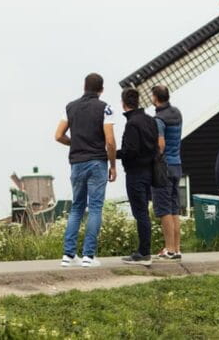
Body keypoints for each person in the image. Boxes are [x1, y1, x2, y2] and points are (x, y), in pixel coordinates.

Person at [54, 73, 117, 268]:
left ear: (84, 86)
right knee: (95, 208)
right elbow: (110, 141)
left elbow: (58, 135)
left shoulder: (70, 107)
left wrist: (75, 143)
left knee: (77, 207)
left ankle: (68, 254)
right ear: (101, 90)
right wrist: (113, 165)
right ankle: (88, 256)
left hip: (77, 163)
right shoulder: (105, 108)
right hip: (97, 162)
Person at [116, 88, 158, 266]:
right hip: (149, 171)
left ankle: (143, 252)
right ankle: (145, 250)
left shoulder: (132, 123)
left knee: (139, 213)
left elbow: (131, 151)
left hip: (135, 173)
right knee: (143, 212)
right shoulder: (150, 120)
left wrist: (113, 154)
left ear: (123, 103)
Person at [151, 85, 183, 260]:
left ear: (155, 97)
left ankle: (169, 249)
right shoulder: (177, 113)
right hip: (177, 164)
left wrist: (153, 156)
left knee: (164, 210)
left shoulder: (158, 119)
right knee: (174, 208)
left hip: (164, 167)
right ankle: (177, 248)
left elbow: (161, 144)